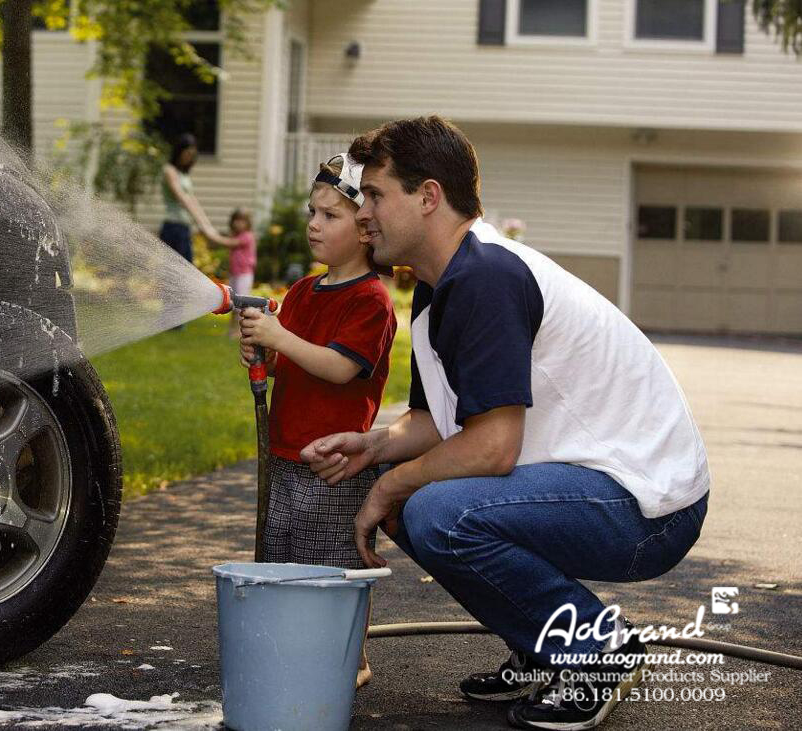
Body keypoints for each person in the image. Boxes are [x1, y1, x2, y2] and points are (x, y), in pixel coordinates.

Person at [300, 117, 710, 731]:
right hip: (589, 485)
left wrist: (390, 483)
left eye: (378, 196)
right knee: (413, 497)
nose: (364, 215)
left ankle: (598, 652)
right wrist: (374, 446)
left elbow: (492, 448)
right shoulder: (441, 290)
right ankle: (542, 644)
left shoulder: (488, 276)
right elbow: (439, 424)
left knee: (437, 511)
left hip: (649, 507)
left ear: (429, 197)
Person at [238, 153, 397, 690]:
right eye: (312, 211)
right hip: (286, 457)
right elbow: (294, 360)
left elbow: (340, 367)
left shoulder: (370, 301)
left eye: (330, 215)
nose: (313, 223)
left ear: (366, 228)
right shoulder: (306, 292)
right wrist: (266, 353)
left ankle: (350, 660)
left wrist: (280, 338)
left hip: (336, 464)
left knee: (333, 563)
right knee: (284, 554)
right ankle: (296, 649)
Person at [159, 133, 222, 264]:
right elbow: (183, 198)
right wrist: (202, 226)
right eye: (187, 153)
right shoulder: (169, 170)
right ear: (179, 151)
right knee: (173, 274)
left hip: (184, 228)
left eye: (192, 155)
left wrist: (208, 225)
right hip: (173, 228)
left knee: (187, 269)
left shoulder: (184, 174)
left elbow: (193, 201)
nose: (189, 158)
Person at [208, 207, 257, 337]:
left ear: (248, 223)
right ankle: (232, 330)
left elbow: (229, 243)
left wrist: (213, 236)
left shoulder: (247, 236)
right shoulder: (236, 235)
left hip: (244, 275)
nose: (238, 223)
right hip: (235, 274)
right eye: (236, 220)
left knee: (240, 305)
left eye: (242, 221)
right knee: (232, 302)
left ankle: (241, 331)